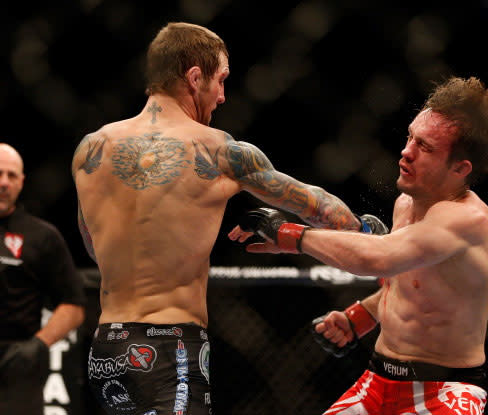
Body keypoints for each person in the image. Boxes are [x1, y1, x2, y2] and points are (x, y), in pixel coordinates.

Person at [72, 22, 386, 415]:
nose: (222, 96)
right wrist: (369, 232)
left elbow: (93, 243)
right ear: (194, 77)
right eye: (220, 80)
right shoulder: (218, 150)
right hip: (170, 345)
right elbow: (316, 206)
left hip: (106, 349)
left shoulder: (92, 149)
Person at [231, 76, 488, 414]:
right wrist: (361, 316)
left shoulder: (468, 220)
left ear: (459, 168)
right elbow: (411, 284)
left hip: (444, 392)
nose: (406, 151)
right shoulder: (406, 204)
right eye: (410, 136)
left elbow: (380, 259)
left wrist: (290, 235)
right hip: (377, 381)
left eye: (424, 147)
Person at [0, 143, 86, 415]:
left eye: (12, 176)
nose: (4, 183)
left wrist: (36, 347)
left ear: (22, 182)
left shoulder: (42, 236)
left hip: (15, 367)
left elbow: (73, 305)